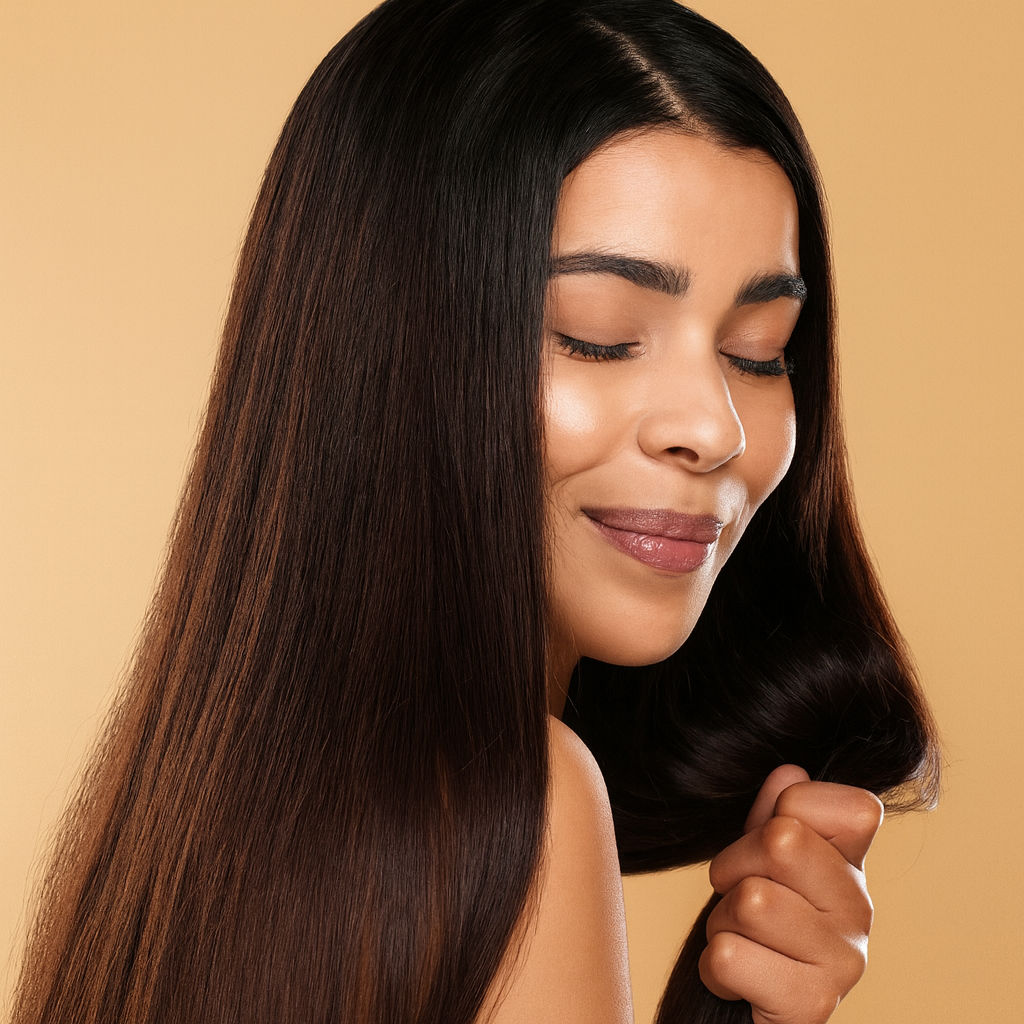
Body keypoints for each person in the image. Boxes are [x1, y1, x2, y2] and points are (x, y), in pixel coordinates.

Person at [11, 2, 938, 1023]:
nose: (711, 426)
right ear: (392, 350)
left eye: (758, 348)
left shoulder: (188, 821)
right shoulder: (521, 810)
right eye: (595, 335)